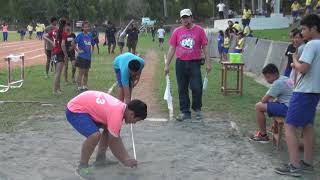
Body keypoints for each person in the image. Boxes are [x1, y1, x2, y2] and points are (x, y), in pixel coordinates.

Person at [274, 14, 320, 177]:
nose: (302, 32)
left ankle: (294, 165)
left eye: (304, 29)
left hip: (304, 91)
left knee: (290, 126)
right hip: (315, 92)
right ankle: (307, 162)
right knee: (307, 126)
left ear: (314, 28)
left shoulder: (312, 44)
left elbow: (303, 68)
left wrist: (294, 60)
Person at [65, 90, 147, 179]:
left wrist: (125, 157)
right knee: (95, 135)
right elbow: (114, 142)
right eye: (137, 120)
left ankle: (100, 159)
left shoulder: (121, 109)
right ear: (132, 114)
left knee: (108, 129)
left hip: (83, 105)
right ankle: (82, 167)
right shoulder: (117, 113)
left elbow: (114, 135)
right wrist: (125, 160)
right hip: (74, 110)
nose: (134, 123)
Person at [165, 9, 211, 121]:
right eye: (183, 18)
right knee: (182, 88)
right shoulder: (177, 31)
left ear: (191, 17)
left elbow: (205, 47)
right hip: (180, 63)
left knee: (197, 87)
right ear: (181, 19)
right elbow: (172, 48)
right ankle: (185, 111)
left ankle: (197, 109)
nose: (185, 20)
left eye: (187, 17)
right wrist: (167, 65)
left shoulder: (199, 30)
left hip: (195, 63)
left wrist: (208, 63)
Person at [250, 64, 293, 142]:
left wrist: (270, 101)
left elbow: (264, 100)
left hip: (288, 109)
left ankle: (263, 135)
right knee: (274, 102)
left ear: (275, 74)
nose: (267, 80)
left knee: (258, 106)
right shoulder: (285, 78)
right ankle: (271, 128)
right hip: (293, 107)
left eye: (268, 77)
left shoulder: (277, 83)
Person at [43, 18, 68, 95]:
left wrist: (51, 42)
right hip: (60, 53)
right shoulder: (63, 33)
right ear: (65, 25)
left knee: (58, 73)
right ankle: (54, 90)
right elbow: (63, 45)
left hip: (54, 53)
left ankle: (58, 89)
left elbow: (44, 36)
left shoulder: (54, 31)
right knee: (58, 73)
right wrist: (66, 54)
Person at [73, 21, 95, 92]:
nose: (87, 28)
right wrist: (78, 50)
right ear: (82, 28)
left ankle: (85, 86)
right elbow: (73, 43)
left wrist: (92, 51)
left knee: (86, 73)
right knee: (81, 72)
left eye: (88, 27)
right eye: (85, 27)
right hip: (81, 57)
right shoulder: (80, 35)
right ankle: (79, 87)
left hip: (88, 58)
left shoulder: (90, 35)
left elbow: (93, 44)